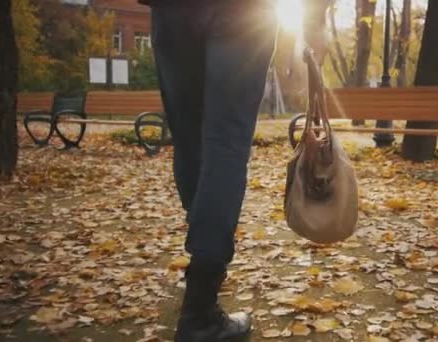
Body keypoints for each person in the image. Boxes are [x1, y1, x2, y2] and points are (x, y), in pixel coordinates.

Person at [138, 0, 329, 340]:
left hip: (171, 10)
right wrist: (315, 20)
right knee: (224, 144)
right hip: (242, 12)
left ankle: (201, 264)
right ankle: (199, 306)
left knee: (189, 139)